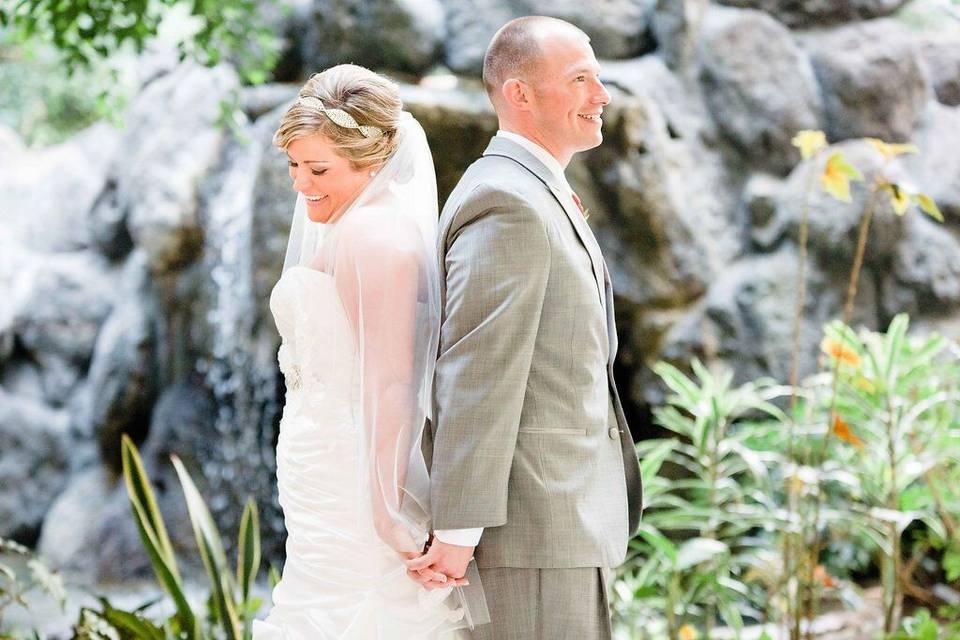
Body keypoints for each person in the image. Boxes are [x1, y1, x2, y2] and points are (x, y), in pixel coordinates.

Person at [407, 16, 644, 639]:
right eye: (580, 79)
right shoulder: (507, 203)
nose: (602, 95)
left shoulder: (534, 190)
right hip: (529, 528)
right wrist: (458, 531)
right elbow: (477, 373)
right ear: (520, 94)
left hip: (562, 522)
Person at [254, 64, 486, 640]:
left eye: (319, 169)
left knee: (357, 611)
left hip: (353, 474)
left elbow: (393, 380)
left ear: (374, 160)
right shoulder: (351, 226)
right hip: (321, 464)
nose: (301, 183)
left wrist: (384, 508)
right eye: (294, 166)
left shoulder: (376, 239)